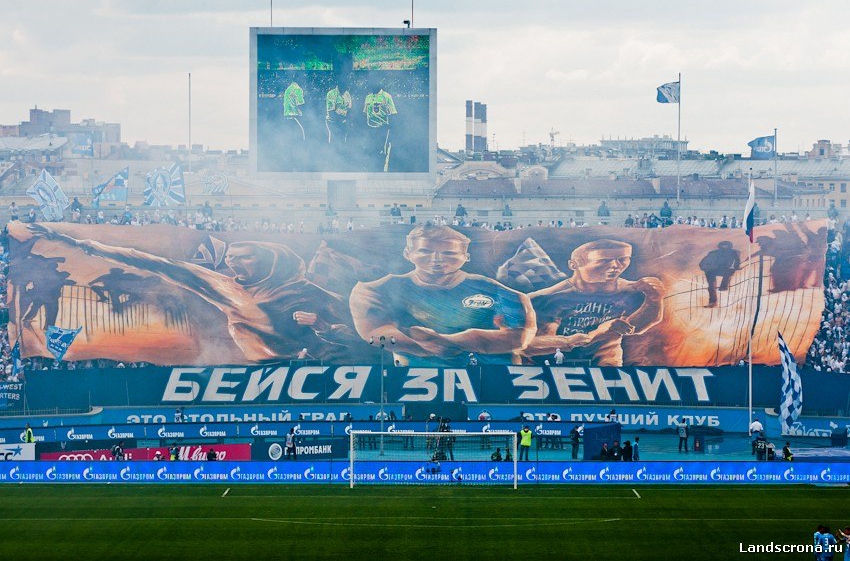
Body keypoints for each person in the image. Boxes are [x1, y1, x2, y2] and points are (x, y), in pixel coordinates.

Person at [28, 226, 364, 363]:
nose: (231, 262)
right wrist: (86, 245)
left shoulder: (311, 294)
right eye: (230, 256)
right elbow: (155, 263)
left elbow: (363, 337)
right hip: (267, 366)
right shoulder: (227, 288)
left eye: (243, 257)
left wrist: (322, 326)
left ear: (270, 261)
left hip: (307, 368)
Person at [350, 226, 536, 366]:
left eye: (448, 253)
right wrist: (425, 346)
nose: (437, 259)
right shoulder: (376, 289)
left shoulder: (498, 291)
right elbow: (374, 333)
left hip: (490, 382)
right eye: (425, 251)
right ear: (408, 253)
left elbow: (521, 337)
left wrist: (445, 342)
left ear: (465, 257)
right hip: (412, 380)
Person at [525, 239, 665, 366]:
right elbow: (530, 345)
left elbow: (635, 327)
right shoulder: (548, 297)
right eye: (604, 261)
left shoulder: (632, 290)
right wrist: (595, 334)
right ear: (574, 265)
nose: (616, 266)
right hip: (555, 366)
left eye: (622, 259)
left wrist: (653, 301)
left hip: (607, 366)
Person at [698, 241, 741, 308]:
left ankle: (723, 287)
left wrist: (736, 267)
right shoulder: (713, 253)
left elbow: (737, 262)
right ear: (719, 246)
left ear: (730, 246)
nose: (724, 247)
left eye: (726, 246)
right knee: (711, 284)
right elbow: (702, 262)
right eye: (722, 246)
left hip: (726, 269)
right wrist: (705, 268)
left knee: (730, 271)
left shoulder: (734, 252)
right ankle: (713, 302)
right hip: (715, 269)